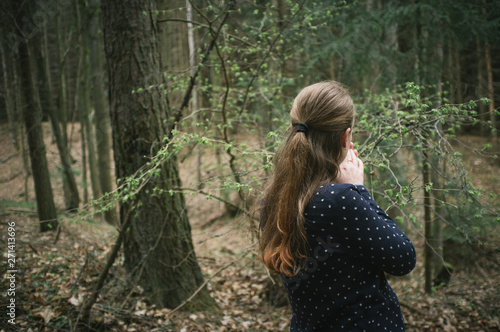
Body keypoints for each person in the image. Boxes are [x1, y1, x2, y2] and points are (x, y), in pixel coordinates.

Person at [259, 81, 416, 331]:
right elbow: (403, 258)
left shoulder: (272, 197)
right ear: (345, 136)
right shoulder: (342, 199)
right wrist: (358, 189)